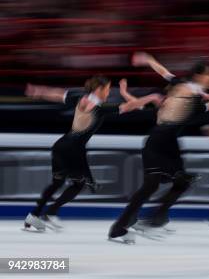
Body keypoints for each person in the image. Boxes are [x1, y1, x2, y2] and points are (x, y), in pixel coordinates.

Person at [108, 53, 209, 244]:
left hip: (164, 139)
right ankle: (150, 222)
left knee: (155, 185)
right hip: (162, 139)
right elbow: (207, 102)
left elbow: (164, 72)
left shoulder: (184, 86)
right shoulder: (190, 93)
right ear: (199, 75)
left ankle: (129, 225)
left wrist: (149, 60)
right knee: (171, 183)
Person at [24, 76, 161, 232]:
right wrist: (151, 97)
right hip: (72, 149)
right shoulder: (99, 108)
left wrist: (37, 91)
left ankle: (34, 215)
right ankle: (51, 212)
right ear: (99, 89)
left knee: (57, 183)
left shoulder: (78, 97)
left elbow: (57, 94)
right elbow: (130, 106)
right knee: (78, 183)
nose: (108, 93)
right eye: (107, 89)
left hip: (61, 146)